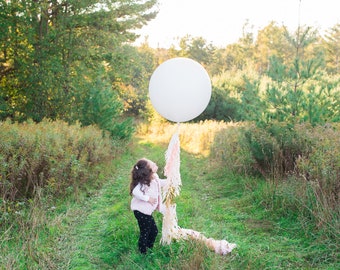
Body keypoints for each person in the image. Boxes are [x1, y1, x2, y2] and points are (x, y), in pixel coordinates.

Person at [129, 158, 166, 254]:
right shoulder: (143, 182)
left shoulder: (155, 177)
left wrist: (171, 180)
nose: (155, 163)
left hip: (146, 212)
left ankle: (149, 248)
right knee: (146, 232)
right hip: (140, 212)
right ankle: (143, 252)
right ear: (147, 171)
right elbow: (135, 192)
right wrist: (147, 198)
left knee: (153, 231)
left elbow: (160, 183)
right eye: (153, 164)